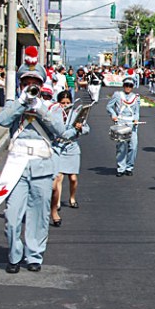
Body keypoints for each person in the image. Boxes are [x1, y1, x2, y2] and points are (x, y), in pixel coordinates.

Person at [0, 54, 66, 273]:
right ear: (20, 85)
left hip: (41, 165)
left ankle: (34, 255)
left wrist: (39, 109)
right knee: (12, 216)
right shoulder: (13, 104)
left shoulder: (49, 107)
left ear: (41, 85)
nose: (30, 87)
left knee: (39, 214)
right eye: (26, 83)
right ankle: (14, 255)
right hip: (16, 166)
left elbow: (61, 130)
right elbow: (2, 120)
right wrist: (21, 103)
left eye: (34, 83)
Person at [50, 90, 90, 227]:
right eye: (63, 103)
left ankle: (72, 198)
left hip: (72, 147)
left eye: (68, 103)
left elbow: (87, 129)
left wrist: (80, 128)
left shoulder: (75, 113)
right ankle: (57, 202)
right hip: (58, 147)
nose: (65, 105)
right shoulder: (54, 114)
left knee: (72, 178)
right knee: (58, 177)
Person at [106, 77, 140, 177]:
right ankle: (121, 168)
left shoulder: (136, 97)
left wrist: (136, 119)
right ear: (123, 86)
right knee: (121, 146)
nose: (128, 87)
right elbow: (109, 106)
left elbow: (137, 111)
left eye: (130, 86)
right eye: (126, 85)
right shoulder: (117, 95)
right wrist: (113, 114)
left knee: (133, 146)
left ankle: (129, 167)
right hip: (121, 122)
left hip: (132, 123)